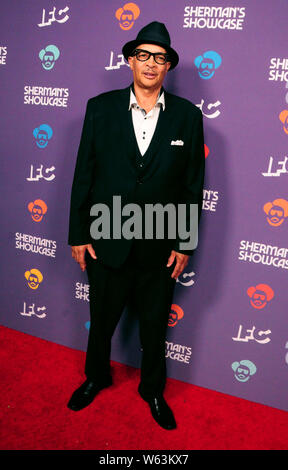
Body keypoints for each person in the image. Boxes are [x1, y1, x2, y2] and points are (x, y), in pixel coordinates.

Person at [67, 21, 205, 430]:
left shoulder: (187, 117)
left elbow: (193, 184)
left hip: (159, 248)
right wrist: (78, 233)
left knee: (153, 328)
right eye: (143, 55)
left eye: (159, 57)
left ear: (168, 67)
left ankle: (153, 391)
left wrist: (185, 243)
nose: (151, 63)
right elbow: (83, 176)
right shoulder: (100, 107)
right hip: (106, 240)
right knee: (102, 322)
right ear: (130, 60)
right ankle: (96, 377)